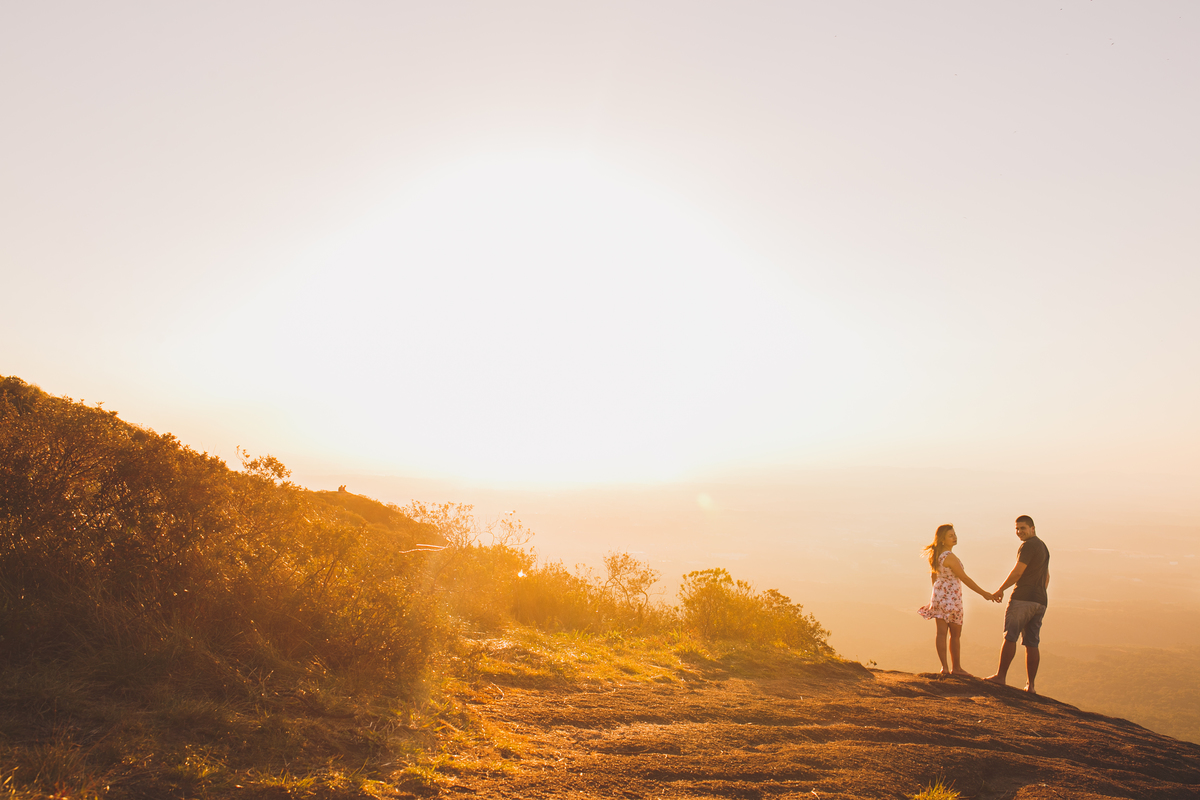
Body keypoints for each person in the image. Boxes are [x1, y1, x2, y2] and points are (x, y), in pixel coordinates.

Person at [917, 524, 999, 676]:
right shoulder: (950, 557)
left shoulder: (935, 556)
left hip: (939, 596)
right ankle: (957, 668)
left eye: (954, 534)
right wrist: (983, 593)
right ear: (942, 540)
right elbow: (964, 578)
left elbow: (933, 576)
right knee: (955, 635)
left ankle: (944, 668)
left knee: (941, 633)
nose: (954, 537)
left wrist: (935, 595)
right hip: (952, 598)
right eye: (950, 536)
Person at [986, 515, 1050, 694]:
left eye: (1023, 528)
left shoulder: (1028, 546)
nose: (1019, 532)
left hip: (1022, 598)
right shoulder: (1043, 547)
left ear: (1032, 529)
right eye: (1017, 529)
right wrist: (1039, 594)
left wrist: (1001, 589)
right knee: (1032, 642)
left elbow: (1018, 572)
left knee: (1010, 636)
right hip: (1040, 601)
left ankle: (1000, 677)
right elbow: (1047, 577)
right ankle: (1031, 686)